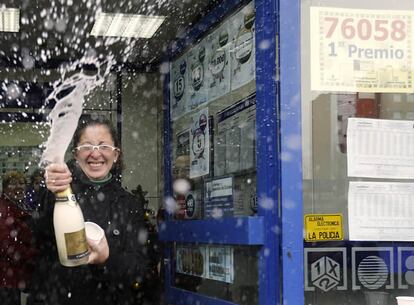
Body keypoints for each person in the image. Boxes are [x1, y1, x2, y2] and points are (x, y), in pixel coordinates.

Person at [27, 117, 149, 305]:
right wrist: (51, 191)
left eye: (103, 146)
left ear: (116, 155)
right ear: (76, 154)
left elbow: (138, 268)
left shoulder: (129, 204)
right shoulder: (60, 190)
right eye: (87, 146)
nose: (95, 154)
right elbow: (36, 235)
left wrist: (106, 259)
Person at [0, 170, 37, 305]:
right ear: (5, 188)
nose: (19, 187)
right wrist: (32, 256)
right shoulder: (4, 210)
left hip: (15, 274)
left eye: (21, 183)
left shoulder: (21, 205)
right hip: (7, 275)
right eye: (13, 183)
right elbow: (6, 244)